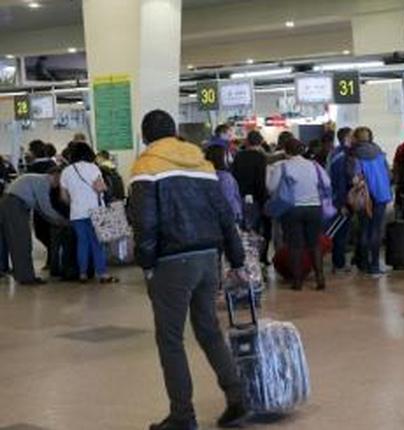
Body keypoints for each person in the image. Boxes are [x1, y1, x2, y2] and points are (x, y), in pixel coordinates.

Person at [129, 110, 249, 430]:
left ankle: (182, 415)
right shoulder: (202, 163)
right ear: (175, 132)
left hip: (172, 261)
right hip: (208, 257)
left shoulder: (146, 166)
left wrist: (147, 263)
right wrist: (237, 261)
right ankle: (237, 395)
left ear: (145, 136)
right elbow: (224, 215)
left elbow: (145, 222)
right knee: (208, 330)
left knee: (170, 340)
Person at [267, 138, 331, 290]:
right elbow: (327, 183)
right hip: (314, 207)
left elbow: (271, 187)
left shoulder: (282, 167)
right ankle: (320, 278)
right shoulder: (314, 165)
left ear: (286, 151)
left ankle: (297, 281)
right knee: (314, 244)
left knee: (295, 246)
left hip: (292, 209)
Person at [59, 142, 119, 284]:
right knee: (97, 243)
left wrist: (75, 204)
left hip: (76, 213)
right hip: (95, 211)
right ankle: (102, 274)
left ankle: (83, 274)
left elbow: (63, 197)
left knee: (82, 242)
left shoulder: (66, 171)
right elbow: (100, 187)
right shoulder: (93, 168)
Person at [0, 170, 68, 284]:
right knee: (22, 242)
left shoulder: (35, 179)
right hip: (15, 205)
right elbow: (45, 207)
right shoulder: (43, 182)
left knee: (12, 241)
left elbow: (40, 209)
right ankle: (26, 278)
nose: (60, 184)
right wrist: (63, 221)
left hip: (9, 203)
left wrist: (56, 221)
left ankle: (18, 273)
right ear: (55, 175)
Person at [347, 127, 392, 275]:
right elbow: (388, 174)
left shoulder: (354, 154)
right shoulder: (379, 152)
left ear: (356, 138)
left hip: (364, 196)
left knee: (364, 229)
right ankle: (375, 265)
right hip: (381, 194)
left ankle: (364, 264)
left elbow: (354, 177)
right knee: (376, 230)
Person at [232, 130, 271, 262]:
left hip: (242, 197)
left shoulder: (238, 156)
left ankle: (247, 258)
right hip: (257, 198)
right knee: (262, 229)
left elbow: (234, 177)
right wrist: (264, 199)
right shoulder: (261, 157)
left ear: (247, 142)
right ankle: (262, 258)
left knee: (246, 231)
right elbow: (261, 181)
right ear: (260, 142)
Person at [328, 127, 353, 272]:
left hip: (334, 197)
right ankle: (339, 264)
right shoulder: (344, 155)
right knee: (341, 232)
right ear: (347, 138)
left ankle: (338, 263)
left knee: (338, 232)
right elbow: (341, 181)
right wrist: (342, 203)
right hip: (340, 199)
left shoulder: (334, 153)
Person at [205, 145, 242, 223]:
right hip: (228, 218)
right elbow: (227, 200)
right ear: (221, 158)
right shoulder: (225, 177)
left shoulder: (205, 175)